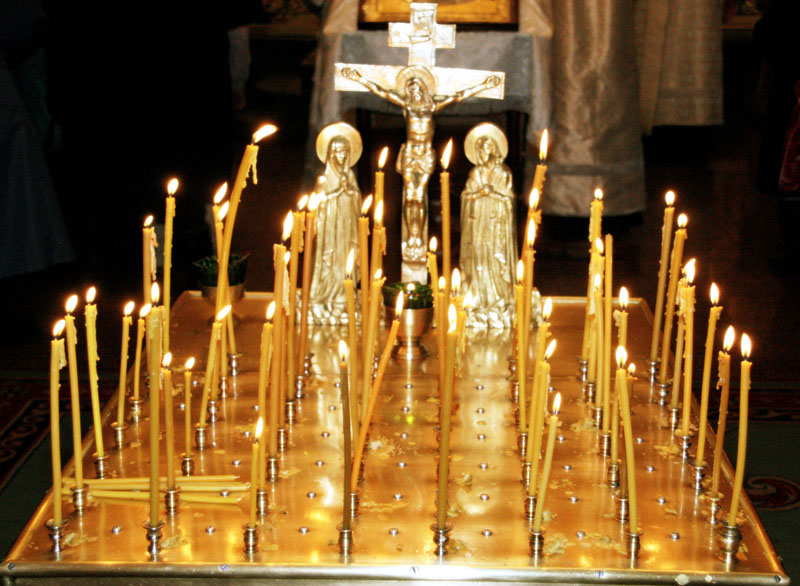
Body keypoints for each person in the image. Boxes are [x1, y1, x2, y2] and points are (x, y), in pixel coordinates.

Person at [341, 65, 499, 267]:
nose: (413, 93)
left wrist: (484, 85)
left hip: (425, 156)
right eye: (410, 90)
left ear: (423, 90)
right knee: (411, 198)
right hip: (409, 154)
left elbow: (458, 96)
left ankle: (417, 236)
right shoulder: (407, 106)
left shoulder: (431, 107)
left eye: (416, 89)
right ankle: (413, 237)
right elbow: (382, 92)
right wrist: (358, 78)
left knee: (419, 197)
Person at [459, 123, 517, 329]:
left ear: (494, 150)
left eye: (485, 149)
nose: (482, 154)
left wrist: (493, 195)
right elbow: (466, 196)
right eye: (479, 150)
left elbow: (509, 200)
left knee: (495, 264)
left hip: (495, 229)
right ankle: (478, 299)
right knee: (478, 263)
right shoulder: (475, 173)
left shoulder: (503, 173)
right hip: (478, 228)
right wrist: (477, 195)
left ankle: (499, 299)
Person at [309, 122, 362, 324]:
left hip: (347, 229)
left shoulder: (350, 177)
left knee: (347, 260)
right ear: (330, 154)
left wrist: (351, 193)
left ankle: (344, 295)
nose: (341, 156)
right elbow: (318, 204)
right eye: (338, 152)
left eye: (345, 152)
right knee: (330, 263)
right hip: (330, 232)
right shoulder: (323, 179)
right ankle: (326, 296)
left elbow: (358, 202)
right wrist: (338, 192)